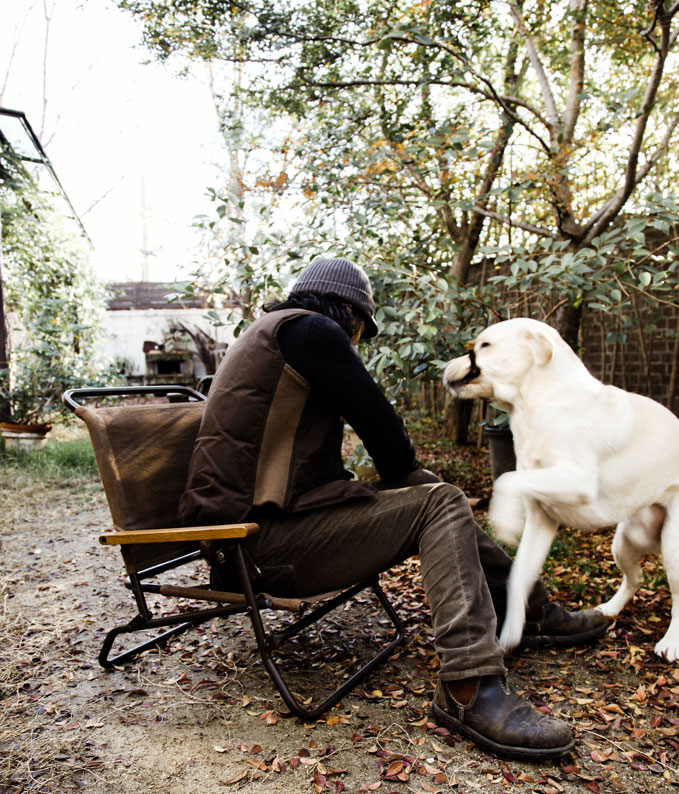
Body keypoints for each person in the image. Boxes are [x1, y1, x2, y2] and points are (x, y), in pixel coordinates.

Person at [179, 257, 608, 761]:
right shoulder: (313, 331)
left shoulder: (271, 334)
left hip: (252, 540)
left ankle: (528, 610)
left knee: (431, 492)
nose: (358, 342)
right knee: (439, 499)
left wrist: (413, 477)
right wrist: (414, 475)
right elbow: (386, 438)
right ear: (351, 317)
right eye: (361, 331)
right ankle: (469, 685)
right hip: (263, 548)